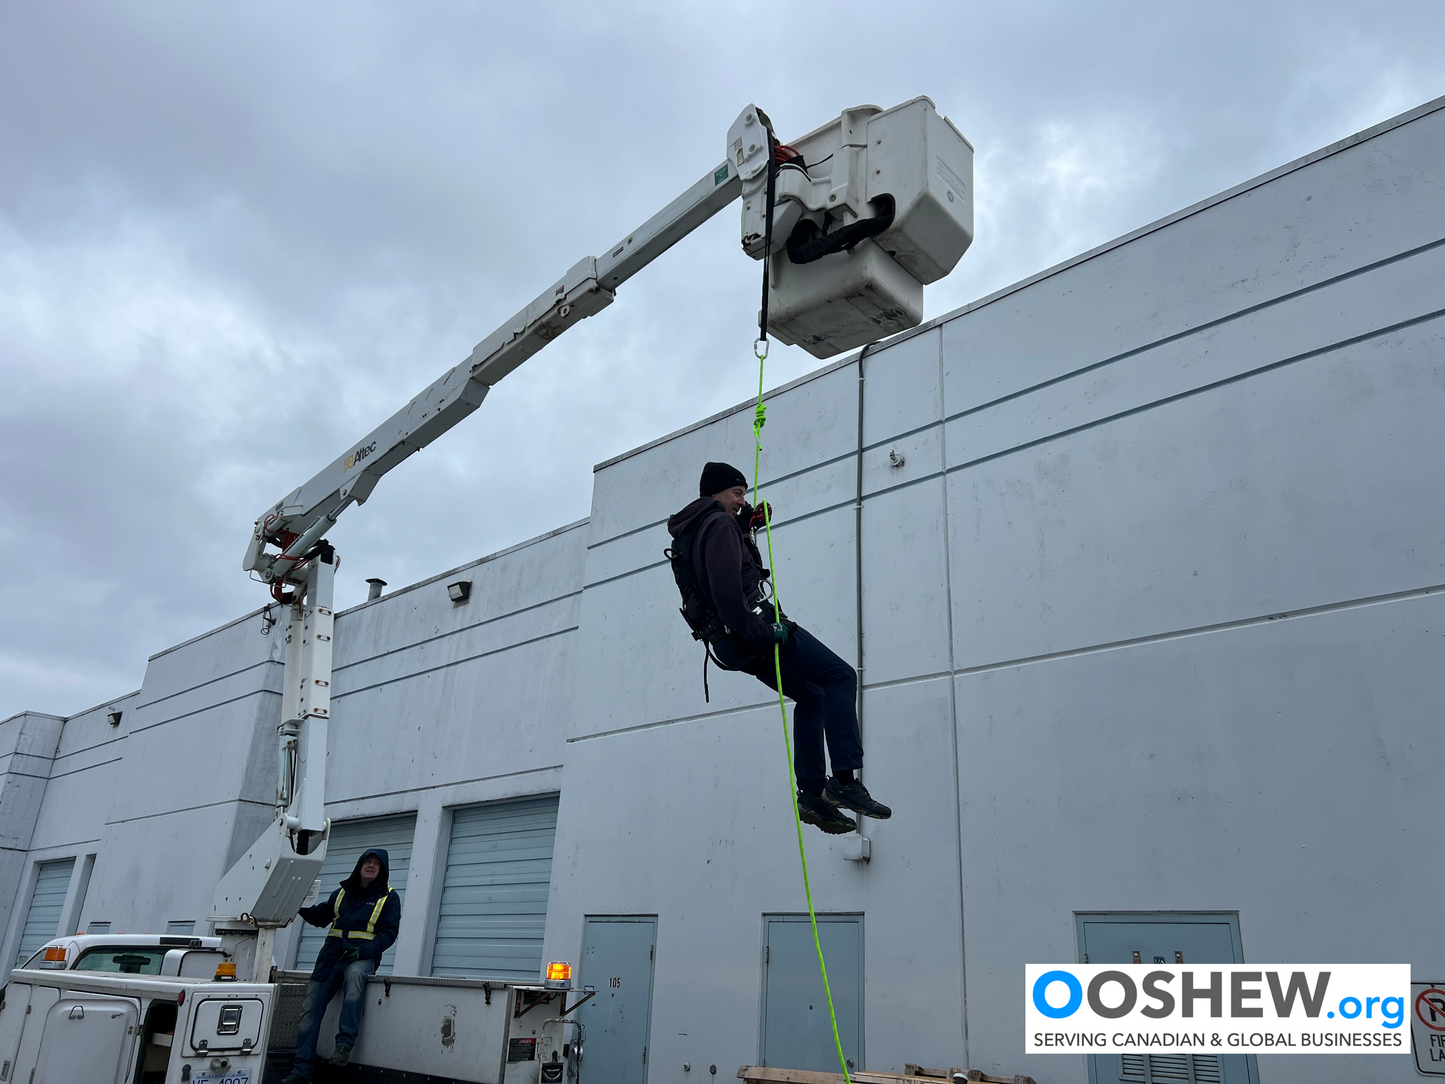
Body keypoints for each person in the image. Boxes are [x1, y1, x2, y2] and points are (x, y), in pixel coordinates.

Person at [667, 461, 892, 834]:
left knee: (812, 696)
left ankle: (813, 796)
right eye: (738, 493)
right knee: (839, 677)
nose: (742, 500)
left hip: (727, 643)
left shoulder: (697, 529)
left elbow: (715, 575)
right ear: (717, 492)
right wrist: (766, 631)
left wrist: (746, 527)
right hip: (750, 629)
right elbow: (725, 592)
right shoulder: (719, 524)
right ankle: (845, 782)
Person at [283, 849, 401, 1082]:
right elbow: (320, 917)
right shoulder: (341, 894)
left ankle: (343, 1046)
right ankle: (301, 1070)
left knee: (356, 979)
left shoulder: (389, 897)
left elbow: (388, 934)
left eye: (377, 863)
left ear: (382, 870)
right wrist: (298, 901)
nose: (371, 865)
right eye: (368, 861)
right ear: (360, 865)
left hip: (360, 958)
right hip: (329, 960)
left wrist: (363, 952)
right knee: (310, 1010)